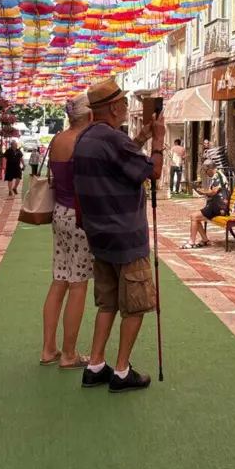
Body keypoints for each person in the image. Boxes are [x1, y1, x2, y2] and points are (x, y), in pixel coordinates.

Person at [74, 78, 165, 393]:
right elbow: (151, 172)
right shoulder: (113, 140)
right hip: (126, 236)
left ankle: (95, 364)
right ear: (114, 107)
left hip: (100, 236)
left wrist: (140, 136)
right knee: (137, 304)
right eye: (124, 102)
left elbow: (121, 162)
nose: (128, 106)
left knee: (108, 303)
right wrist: (158, 142)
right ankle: (122, 371)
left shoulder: (86, 138)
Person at [39, 93, 95, 370]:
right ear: (90, 116)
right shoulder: (83, 143)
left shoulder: (57, 139)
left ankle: (48, 347)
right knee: (78, 284)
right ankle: (69, 353)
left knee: (59, 279)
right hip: (80, 215)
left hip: (59, 213)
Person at [184, 161, 227, 249]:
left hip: (218, 207)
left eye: (206, 171)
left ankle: (191, 242)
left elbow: (214, 191)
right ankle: (205, 240)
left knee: (194, 216)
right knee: (196, 217)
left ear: (210, 169)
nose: (206, 173)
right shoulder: (219, 175)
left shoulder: (217, 176)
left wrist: (203, 192)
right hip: (218, 206)